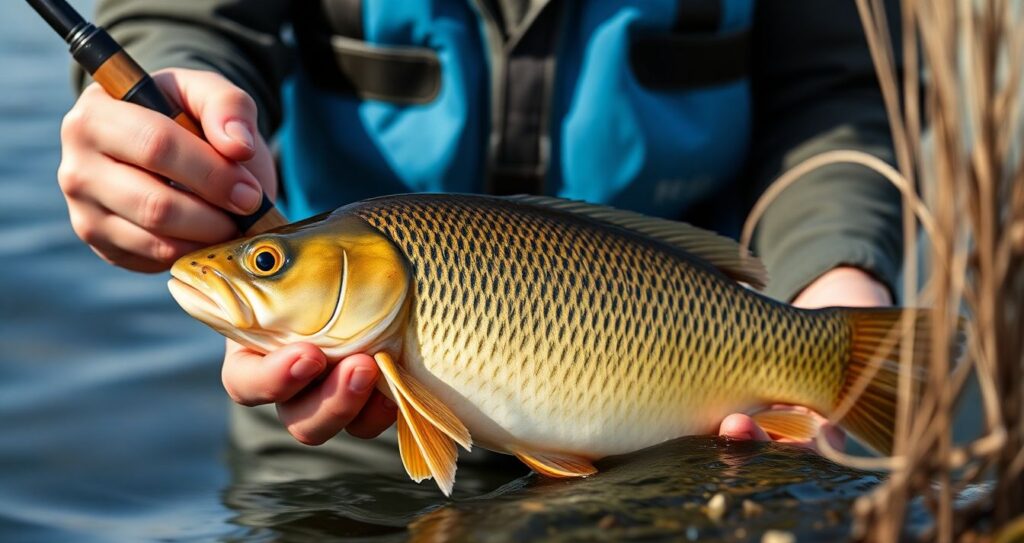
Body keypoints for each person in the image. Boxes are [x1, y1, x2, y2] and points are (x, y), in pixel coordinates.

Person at [57, 0, 898, 464]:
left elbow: (835, 93)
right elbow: (195, 20)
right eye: (271, 263)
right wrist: (169, 116)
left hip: (686, 452)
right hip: (335, 445)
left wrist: (835, 276)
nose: (254, 269)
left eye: (268, 262)